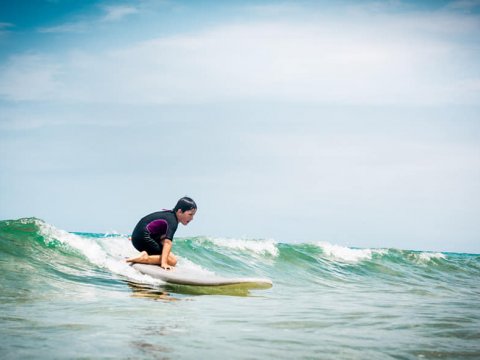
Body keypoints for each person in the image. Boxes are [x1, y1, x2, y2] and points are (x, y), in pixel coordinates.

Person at [126, 196, 197, 270]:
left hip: (137, 237)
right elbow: (168, 242)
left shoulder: (169, 215)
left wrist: (136, 237)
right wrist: (164, 263)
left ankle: (144, 254)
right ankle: (144, 257)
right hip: (143, 239)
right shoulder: (173, 221)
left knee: (168, 253)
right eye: (190, 214)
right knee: (172, 261)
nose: (192, 218)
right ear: (180, 211)